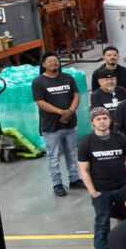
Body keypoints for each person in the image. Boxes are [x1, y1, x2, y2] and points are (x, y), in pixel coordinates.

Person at [79, 106, 126, 249]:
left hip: (121, 189)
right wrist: (92, 191)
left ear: (110, 120)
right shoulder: (87, 144)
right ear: (92, 123)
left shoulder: (121, 139)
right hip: (101, 191)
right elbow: (84, 170)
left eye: (105, 118)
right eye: (98, 119)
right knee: (102, 223)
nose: (102, 122)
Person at [32, 52, 83, 196]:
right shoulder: (38, 82)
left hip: (70, 124)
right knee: (53, 156)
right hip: (51, 127)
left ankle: (74, 179)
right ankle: (57, 184)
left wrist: (70, 111)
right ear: (43, 65)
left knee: (72, 153)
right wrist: (61, 112)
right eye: (50, 61)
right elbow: (40, 102)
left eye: (56, 60)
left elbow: (76, 95)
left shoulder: (68, 78)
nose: (54, 62)